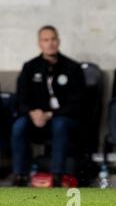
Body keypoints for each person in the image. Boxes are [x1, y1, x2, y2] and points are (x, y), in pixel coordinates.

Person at [11, 25, 85, 187]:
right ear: (40, 43)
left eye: (53, 39)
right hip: (35, 119)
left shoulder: (73, 68)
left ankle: (57, 175)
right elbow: (21, 99)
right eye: (46, 40)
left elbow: (77, 104)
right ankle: (19, 175)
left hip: (63, 119)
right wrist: (32, 113)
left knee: (60, 123)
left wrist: (50, 114)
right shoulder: (30, 67)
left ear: (58, 41)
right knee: (19, 126)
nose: (50, 43)